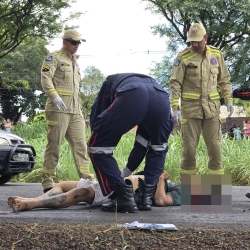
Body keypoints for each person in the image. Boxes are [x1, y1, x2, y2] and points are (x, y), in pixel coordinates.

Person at [88, 73, 174, 213]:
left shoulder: (108, 83)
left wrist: (99, 135)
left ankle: (122, 197)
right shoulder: (142, 90)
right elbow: (142, 144)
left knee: (97, 147)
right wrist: (125, 172)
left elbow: (98, 116)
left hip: (132, 93)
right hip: (160, 97)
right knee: (158, 148)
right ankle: (145, 198)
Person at [169, 23, 234, 176]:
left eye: (198, 41)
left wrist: (229, 100)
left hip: (212, 110)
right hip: (190, 112)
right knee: (189, 150)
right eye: (192, 41)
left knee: (215, 149)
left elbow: (224, 79)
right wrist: (174, 108)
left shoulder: (216, 55)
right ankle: (190, 193)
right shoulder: (183, 57)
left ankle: (215, 193)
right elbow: (175, 82)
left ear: (206, 38)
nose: (195, 44)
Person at [40, 29, 95, 193]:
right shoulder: (54, 57)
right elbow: (45, 78)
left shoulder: (75, 62)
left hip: (76, 111)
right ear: (65, 41)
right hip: (58, 109)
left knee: (81, 147)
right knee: (54, 146)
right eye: (74, 42)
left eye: (78, 43)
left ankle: (88, 180)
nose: (77, 45)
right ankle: (48, 182)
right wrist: (54, 96)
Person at [7, 171, 180, 212]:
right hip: (114, 181)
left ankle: (30, 204)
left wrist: (160, 180)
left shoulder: (186, 192)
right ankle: (33, 198)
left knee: (80, 192)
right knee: (64, 184)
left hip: (118, 192)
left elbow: (161, 200)